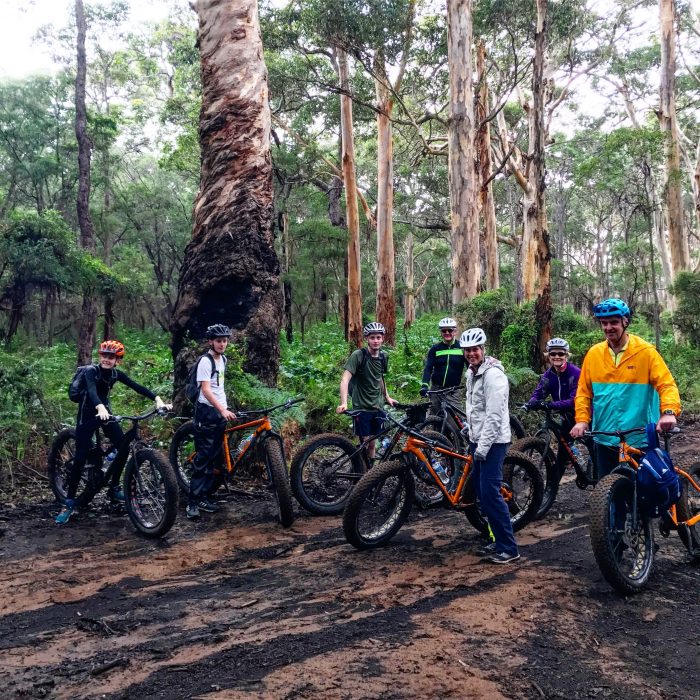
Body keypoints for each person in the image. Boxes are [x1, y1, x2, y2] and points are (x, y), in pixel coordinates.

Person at [56, 340, 170, 525]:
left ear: (118, 360)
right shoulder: (91, 371)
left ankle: (114, 487)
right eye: (104, 356)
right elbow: (92, 391)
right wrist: (100, 407)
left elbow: (136, 386)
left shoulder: (116, 374)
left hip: (105, 413)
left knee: (123, 447)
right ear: (100, 356)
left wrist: (157, 399)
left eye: (111, 357)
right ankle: (68, 503)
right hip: (88, 414)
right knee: (81, 456)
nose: (107, 360)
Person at [571, 298, 681, 478]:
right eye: (604, 323)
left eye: (614, 322)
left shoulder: (645, 352)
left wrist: (669, 412)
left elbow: (666, 384)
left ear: (625, 322)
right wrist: (582, 420)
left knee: (645, 493)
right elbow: (583, 392)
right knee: (607, 493)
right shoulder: (594, 354)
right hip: (605, 436)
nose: (608, 328)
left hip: (639, 436)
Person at [461, 327, 519, 565]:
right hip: (479, 440)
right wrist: (469, 428)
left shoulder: (494, 376)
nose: (471, 354)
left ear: (483, 349)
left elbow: (495, 416)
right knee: (483, 495)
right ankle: (498, 541)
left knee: (490, 495)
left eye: (475, 349)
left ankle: (509, 547)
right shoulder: (471, 373)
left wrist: (482, 448)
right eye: (467, 350)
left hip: (493, 443)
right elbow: (474, 407)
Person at [187, 323, 237, 521]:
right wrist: (222, 409)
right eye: (218, 341)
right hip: (207, 413)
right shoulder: (205, 361)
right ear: (210, 342)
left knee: (215, 457)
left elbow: (219, 388)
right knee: (203, 459)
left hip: (219, 412)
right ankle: (192, 502)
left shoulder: (222, 359)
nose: (222, 344)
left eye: (225, 341)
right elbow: (206, 390)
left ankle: (204, 496)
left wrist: (226, 409)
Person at [337, 321, 397, 459]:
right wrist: (344, 403)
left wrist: (387, 397)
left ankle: (370, 472)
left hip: (378, 406)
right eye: (372, 337)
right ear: (367, 339)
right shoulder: (358, 355)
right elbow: (345, 379)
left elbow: (380, 378)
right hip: (362, 407)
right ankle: (361, 470)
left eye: (378, 337)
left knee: (373, 443)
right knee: (365, 442)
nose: (376, 341)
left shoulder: (384, 356)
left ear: (383, 338)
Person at [525, 337, 581, 476]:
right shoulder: (548, 375)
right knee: (562, 454)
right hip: (565, 415)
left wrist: (549, 404)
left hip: (582, 416)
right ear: (548, 356)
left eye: (561, 354)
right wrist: (531, 402)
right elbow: (539, 392)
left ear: (566, 355)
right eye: (553, 354)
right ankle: (553, 490)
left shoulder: (575, 373)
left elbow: (574, 400)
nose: (557, 357)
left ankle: (597, 477)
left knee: (593, 446)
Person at [420, 317, 466, 415]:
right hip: (436, 390)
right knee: (434, 418)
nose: (447, 333)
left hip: (453, 390)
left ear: (455, 331)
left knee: (455, 419)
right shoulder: (435, 349)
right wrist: (424, 385)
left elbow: (470, 367)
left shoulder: (462, 347)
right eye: (444, 330)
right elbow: (428, 368)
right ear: (441, 332)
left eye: (450, 330)